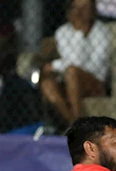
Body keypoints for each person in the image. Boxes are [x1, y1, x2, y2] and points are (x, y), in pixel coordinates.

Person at [40, 0, 110, 128]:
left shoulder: (102, 32)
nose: (80, 12)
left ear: (93, 10)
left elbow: (90, 66)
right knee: (47, 83)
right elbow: (72, 62)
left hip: (94, 83)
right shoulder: (62, 32)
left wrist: (55, 66)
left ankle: (76, 124)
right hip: (68, 80)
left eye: (85, 8)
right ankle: (74, 123)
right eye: (76, 8)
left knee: (72, 73)